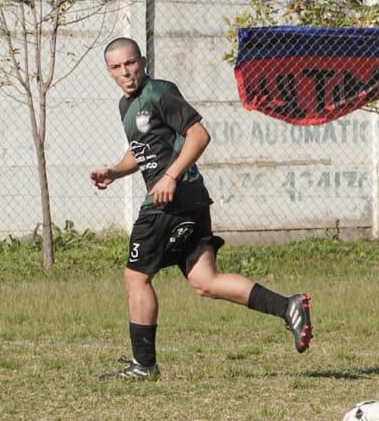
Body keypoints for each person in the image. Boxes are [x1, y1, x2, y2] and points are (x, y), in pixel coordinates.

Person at [89, 38, 312, 380]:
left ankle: (144, 366)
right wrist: (115, 172)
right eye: (117, 67)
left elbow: (198, 135)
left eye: (130, 63)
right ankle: (288, 307)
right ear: (108, 71)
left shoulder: (160, 93)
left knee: (136, 277)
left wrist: (170, 177)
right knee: (206, 281)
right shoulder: (127, 106)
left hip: (169, 202)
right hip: (191, 200)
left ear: (143, 61)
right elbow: (142, 149)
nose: (125, 72)